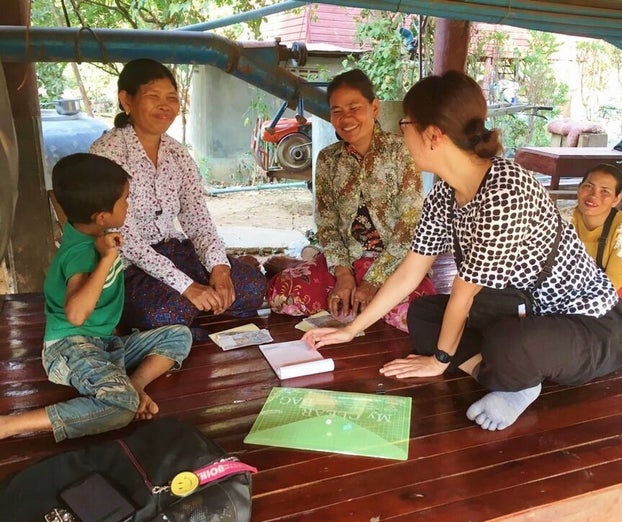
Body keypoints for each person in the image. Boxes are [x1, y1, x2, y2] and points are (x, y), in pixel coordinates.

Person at [303, 71, 622, 431]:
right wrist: (352, 329)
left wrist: (440, 361)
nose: (402, 133)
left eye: (406, 124)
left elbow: (464, 294)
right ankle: (512, 376)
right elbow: (410, 272)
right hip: (522, 308)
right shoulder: (445, 194)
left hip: (592, 326)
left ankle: (517, 383)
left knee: (508, 344)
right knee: (424, 314)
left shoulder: (507, 189)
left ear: (433, 134)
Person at [0, 154, 192, 442]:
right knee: (120, 407)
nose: (128, 205)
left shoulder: (89, 231)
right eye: (125, 200)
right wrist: (105, 260)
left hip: (103, 344)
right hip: (70, 346)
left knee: (179, 335)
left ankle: (134, 385)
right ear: (101, 216)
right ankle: (9, 426)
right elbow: (76, 315)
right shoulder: (82, 253)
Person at [90, 59, 265, 340]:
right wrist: (186, 286)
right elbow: (124, 237)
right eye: (153, 97)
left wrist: (219, 268)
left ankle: (189, 320)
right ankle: (186, 319)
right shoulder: (106, 153)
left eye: (171, 98)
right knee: (169, 311)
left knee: (251, 286)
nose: (165, 106)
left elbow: (198, 219)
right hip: (131, 267)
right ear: (127, 100)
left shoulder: (177, 153)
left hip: (175, 252)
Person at [266, 69, 435, 331]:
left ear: (374, 108)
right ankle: (352, 301)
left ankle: (363, 304)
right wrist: (343, 276)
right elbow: (328, 225)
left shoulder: (402, 151)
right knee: (281, 296)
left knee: (413, 315)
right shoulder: (327, 159)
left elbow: (409, 228)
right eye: (337, 111)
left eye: (354, 107)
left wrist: (373, 281)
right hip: (345, 260)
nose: (346, 119)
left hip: (393, 263)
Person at [560, 163, 622, 306]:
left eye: (605, 191)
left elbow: (613, 282)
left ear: (616, 199)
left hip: (621, 290)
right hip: (574, 287)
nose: (594, 195)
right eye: (588, 186)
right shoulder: (564, 218)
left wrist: (573, 301)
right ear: (579, 188)